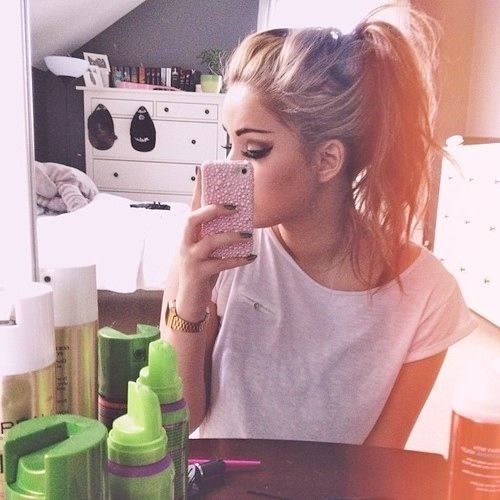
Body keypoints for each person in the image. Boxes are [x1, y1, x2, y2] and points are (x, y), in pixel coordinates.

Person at [160, 6, 476, 448]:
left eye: (253, 150)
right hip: (221, 479)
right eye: (228, 142)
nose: (229, 167)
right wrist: (191, 291)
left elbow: (380, 463)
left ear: (327, 160)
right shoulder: (214, 255)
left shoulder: (426, 295)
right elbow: (176, 425)